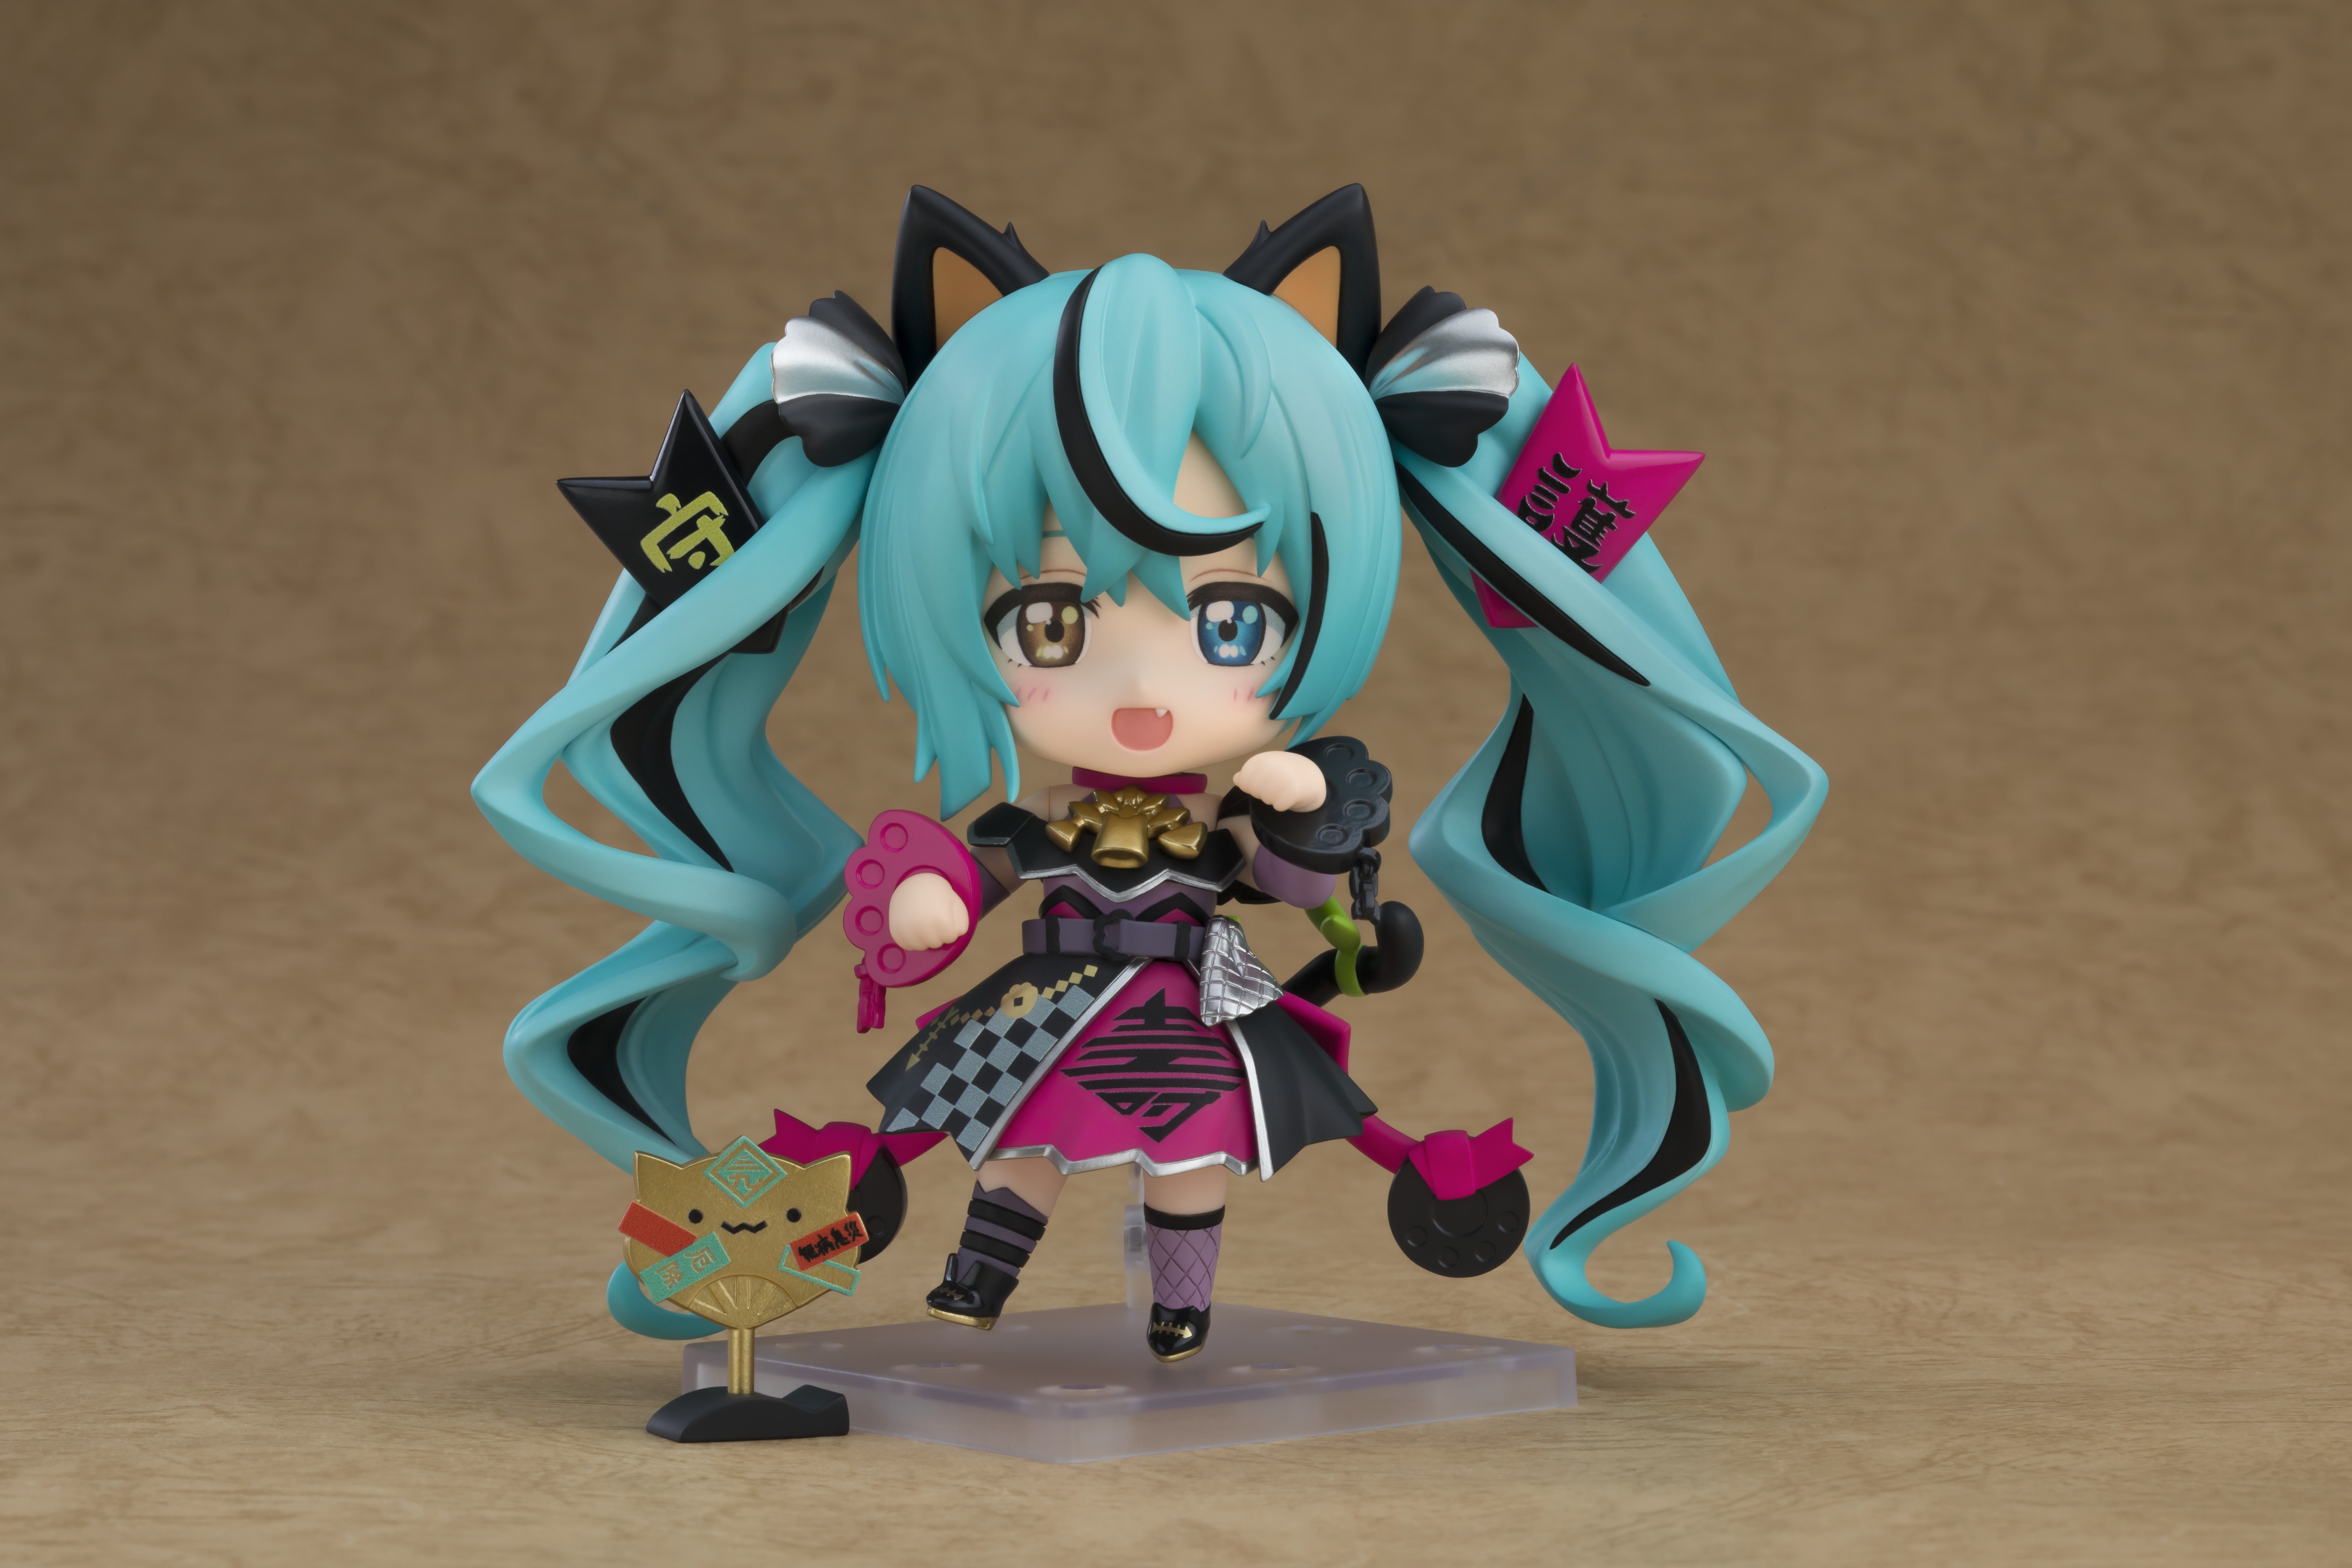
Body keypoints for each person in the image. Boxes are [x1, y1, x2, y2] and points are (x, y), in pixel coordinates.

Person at [474, 185, 1826, 1362]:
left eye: (1230, 623)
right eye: (1048, 625)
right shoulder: (1038, 824)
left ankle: (1183, 1314)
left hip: (1188, 1013)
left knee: (1191, 1163)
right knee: (1013, 1145)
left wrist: (1312, 847)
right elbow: (974, 871)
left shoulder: (1231, 819)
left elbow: (1302, 892)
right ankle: (974, 1285)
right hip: (1049, 1004)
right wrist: (934, 904)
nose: (1138, 690)